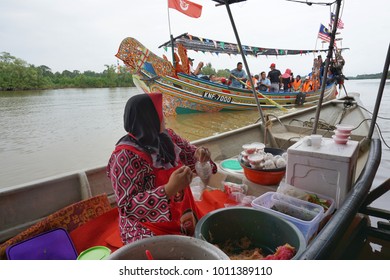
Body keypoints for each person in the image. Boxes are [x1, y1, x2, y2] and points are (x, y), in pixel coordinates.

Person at [106, 93, 217, 244]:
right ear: (148, 118)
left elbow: (192, 155)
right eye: (160, 113)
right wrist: (169, 189)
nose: (164, 117)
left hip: (182, 211)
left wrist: (202, 156)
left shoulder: (168, 136)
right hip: (145, 222)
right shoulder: (124, 156)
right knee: (156, 254)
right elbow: (128, 207)